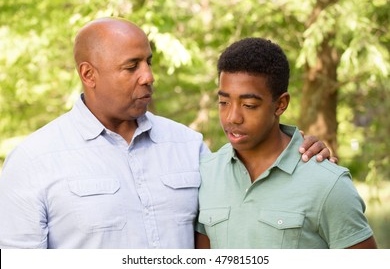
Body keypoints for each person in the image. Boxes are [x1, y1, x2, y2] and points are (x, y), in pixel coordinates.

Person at [0, 18, 333, 249]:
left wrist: (303, 153)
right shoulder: (32, 162)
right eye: (132, 67)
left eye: (148, 62)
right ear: (89, 74)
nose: (148, 76)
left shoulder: (189, 146)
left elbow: (254, 192)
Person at [195, 38, 377, 249]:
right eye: (224, 102)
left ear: (280, 104)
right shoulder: (206, 173)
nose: (232, 117)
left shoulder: (328, 184)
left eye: (249, 105)